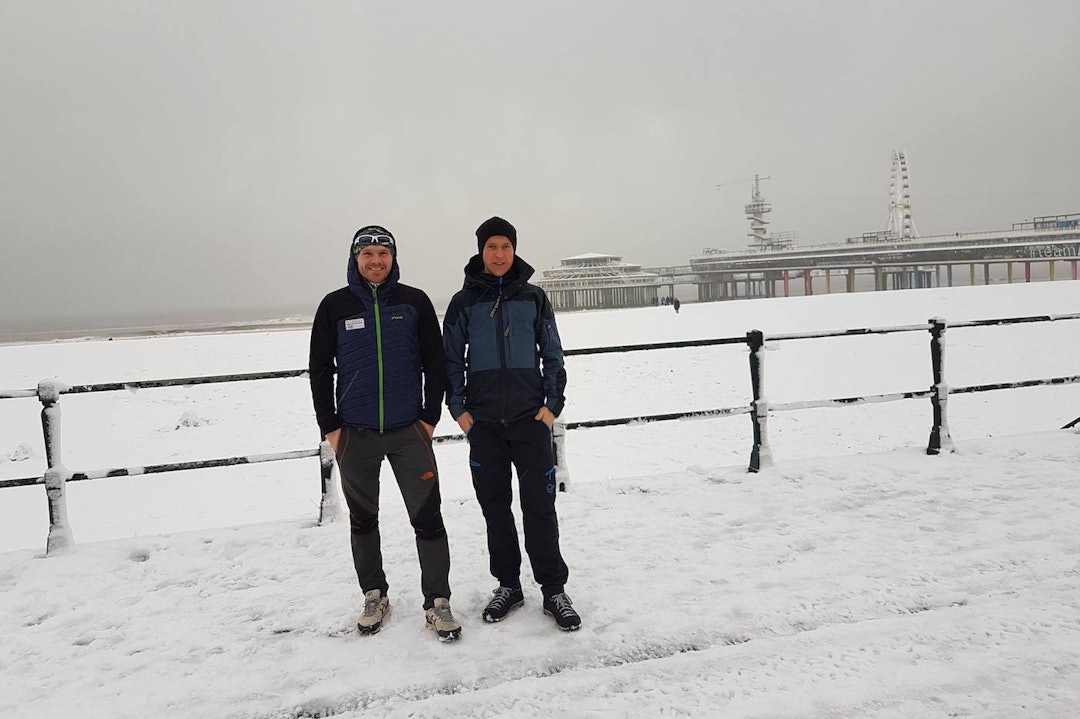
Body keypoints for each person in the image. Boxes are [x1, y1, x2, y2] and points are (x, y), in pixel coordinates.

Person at [308, 225, 461, 642]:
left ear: (393, 258)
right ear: (355, 259)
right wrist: (331, 428)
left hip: (408, 431)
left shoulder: (413, 302)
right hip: (355, 434)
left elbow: (436, 362)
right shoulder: (334, 306)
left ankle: (437, 601)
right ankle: (374, 595)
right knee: (363, 519)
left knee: (428, 518)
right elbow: (320, 371)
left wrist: (429, 419)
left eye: (383, 253)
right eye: (367, 254)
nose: (376, 261)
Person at [443, 216, 581, 631]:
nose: (499, 254)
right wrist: (460, 410)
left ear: (514, 249)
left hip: (530, 422)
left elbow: (553, 354)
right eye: (491, 247)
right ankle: (508, 585)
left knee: (540, 507)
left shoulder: (535, 298)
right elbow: (450, 360)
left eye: (505, 246)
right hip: (483, 425)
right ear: (480, 252)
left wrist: (551, 406)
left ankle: (553, 589)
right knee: (495, 510)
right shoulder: (463, 302)